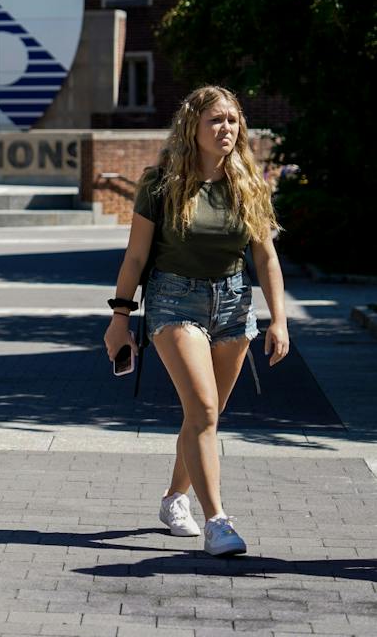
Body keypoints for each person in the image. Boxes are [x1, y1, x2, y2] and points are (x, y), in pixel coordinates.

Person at [102, 85, 290, 557]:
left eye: (232, 120)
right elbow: (136, 255)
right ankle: (218, 522)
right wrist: (119, 318)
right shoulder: (161, 183)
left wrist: (279, 320)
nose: (226, 128)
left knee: (204, 414)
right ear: (194, 127)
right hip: (173, 299)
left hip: (232, 304)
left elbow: (265, 258)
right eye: (215, 120)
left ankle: (172, 499)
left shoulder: (249, 182)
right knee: (204, 410)